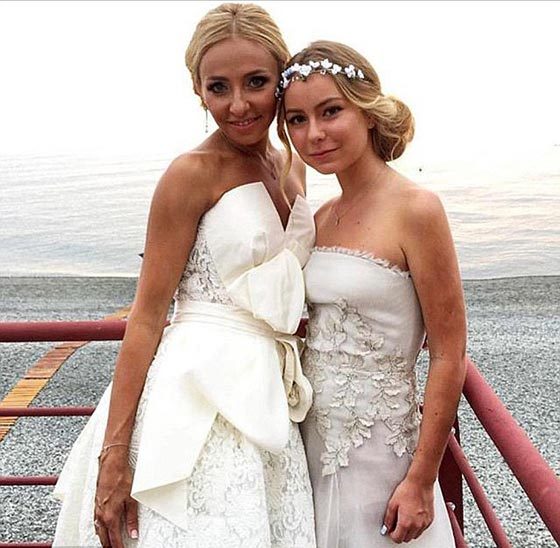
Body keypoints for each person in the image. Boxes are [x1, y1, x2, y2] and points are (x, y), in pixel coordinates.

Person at [52, 4, 317, 547]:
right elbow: (148, 316)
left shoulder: (291, 167)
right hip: (194, 396)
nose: (238, 104)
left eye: (256, 82)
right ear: (198, 90)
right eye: (219, 87)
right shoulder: (189, 175)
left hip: (269, 394)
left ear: (282, 79)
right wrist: (115, 454)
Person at [277, 40, 467, 547]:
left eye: (330, 111)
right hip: (312, 443)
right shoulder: (321, 217)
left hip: (383, 454)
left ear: (366, 110)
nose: (313, 134)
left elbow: (449, 354)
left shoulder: (416, 210)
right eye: (296, 120)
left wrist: (421, 479)